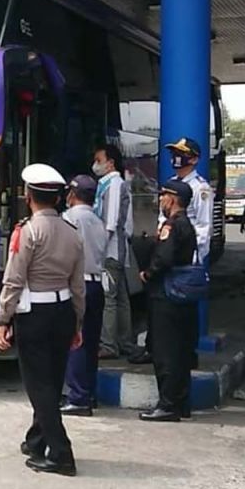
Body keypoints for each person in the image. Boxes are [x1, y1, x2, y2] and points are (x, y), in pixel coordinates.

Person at [0, 164, 87, 476]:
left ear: (28, 195)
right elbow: (78, 286)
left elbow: (14, 280)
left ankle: (61, 453)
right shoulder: (73, 234)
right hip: (62, 313)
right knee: (51, 379)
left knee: (39, 386)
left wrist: (1, 321)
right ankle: (36, 440)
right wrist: (77, 323)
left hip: (33, 314)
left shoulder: (27, 231)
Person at [130, 136, 213, 366]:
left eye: (182, 153)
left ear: (194, 159)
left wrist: (194, 260)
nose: (177, 157)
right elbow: (162, 221)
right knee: (158, 306)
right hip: (166, 254)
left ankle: (188, 354)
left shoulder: (200, 189)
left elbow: (204, 230)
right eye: (175, 152)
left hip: (185, 258)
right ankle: (153, 349)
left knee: (183, 309)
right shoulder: (170, 185)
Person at [138, 179, 199, 422]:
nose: (160, 200)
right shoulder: (187, 224)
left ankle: (168, 405)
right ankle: (181, 403)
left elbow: (163, 258)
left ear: (172, 199)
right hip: (182, 294)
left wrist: (147, 273)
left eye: (163, 195)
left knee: (165, 351)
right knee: (182, 350)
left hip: (166, 293)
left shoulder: (172, 226)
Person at [61, 175, 108, 417]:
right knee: (90, 343)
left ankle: (78, 398)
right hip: (97, 284)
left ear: (73, 194)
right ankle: (89, 394)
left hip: (77, 285)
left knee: (75, 341)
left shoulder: (69, 218)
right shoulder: (98, 221)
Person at [91, 144, 134, 360]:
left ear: (111, 163)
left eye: (99, 160)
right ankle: (125, 342)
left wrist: (98, 248)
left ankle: (108, 345)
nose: (95, 165)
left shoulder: (115, 184)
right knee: (122, 298)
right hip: (114, 249)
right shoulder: (107, 184)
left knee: (109, 298)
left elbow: (110, 221)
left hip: (110, 250)